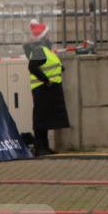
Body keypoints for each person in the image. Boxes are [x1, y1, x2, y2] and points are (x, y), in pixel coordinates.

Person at [23, 19, 70, 155]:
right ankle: (40, 147)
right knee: (41, 119)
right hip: (43, 89)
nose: (50, 35)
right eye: (47, 33)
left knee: (46, 119)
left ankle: (44, 147)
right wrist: (46, 80)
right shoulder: (39, 50)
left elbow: (49, 64)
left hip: (48, 89)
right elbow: (32, 67)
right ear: (44, 35)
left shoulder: (45, 49)